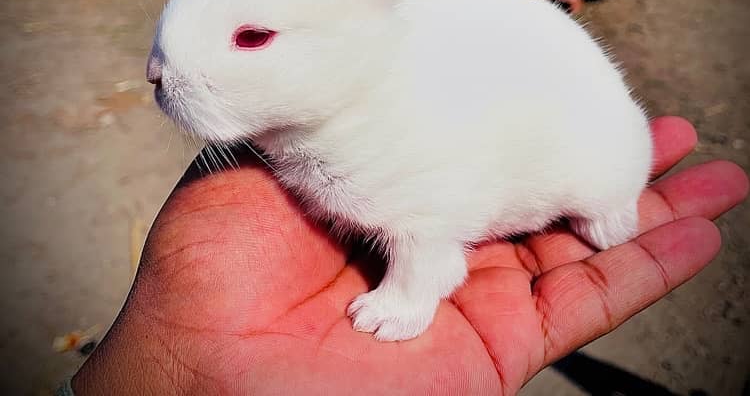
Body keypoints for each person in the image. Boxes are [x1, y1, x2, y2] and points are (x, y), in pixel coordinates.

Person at [63, 116, 747, 394]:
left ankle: (418, 285)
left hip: (570, 160)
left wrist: (412, 285)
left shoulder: (379, 136)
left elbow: (426, 208)